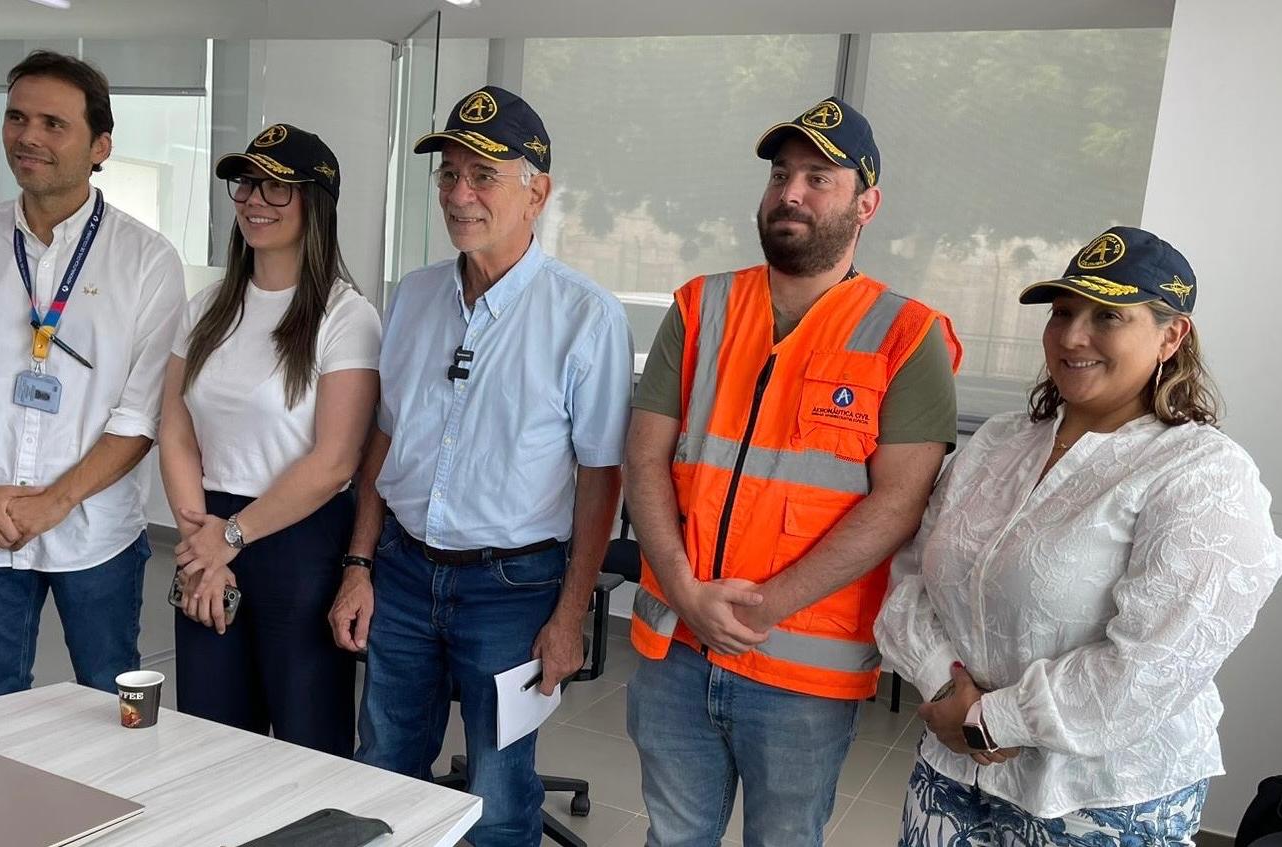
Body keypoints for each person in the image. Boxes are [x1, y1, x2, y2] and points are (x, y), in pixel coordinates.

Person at [622, 96, 962, 846]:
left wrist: (758, 608)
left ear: (866, 204)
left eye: (818, 178)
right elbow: (643, 456)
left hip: (801, 672)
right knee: (671, 836)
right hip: (676, 648)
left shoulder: (908, 335)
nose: (790, 193)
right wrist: (684, 591)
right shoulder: (700, 305)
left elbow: (897, 505)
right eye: (779, 174)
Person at [875, 226, 1282, 846]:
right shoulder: (999, 443)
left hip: (1098, 800)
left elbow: (1154, 665)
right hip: (953, 769)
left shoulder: (1202, 473)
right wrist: (942, 688)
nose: (1071, 336)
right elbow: (911, 572)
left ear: (1171, 336)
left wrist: (990, 721)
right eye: (1062, 312)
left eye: (1107, 316)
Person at [327, 86, 632, 846]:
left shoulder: (584, 316)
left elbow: (601, 477)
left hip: (512, 588)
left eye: (483, 175)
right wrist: (359, 562)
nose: (459, 195)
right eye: (448, 175)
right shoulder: (415, 295)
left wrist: (568, 615)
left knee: (497, 793)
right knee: (384, 768)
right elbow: (384, 438)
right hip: (400, 572)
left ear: (538, 192)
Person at [0, 50, 185, 700]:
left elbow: (140, 413)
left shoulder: (148, 260)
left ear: (100, 145)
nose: (28, 136)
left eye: (53, 123)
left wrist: (54, 501)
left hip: (93, 533)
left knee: (112, 694)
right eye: (16, 117)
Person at [159, 124, 380, 756]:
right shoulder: (206, 308)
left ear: (317, 202)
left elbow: (336, 460)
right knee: (209, 730)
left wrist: (229, 538)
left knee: (306, 739)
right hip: (208, 528)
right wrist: (199, 539)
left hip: (299, 540)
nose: (256, 199)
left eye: (278, 187)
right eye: (246, 183)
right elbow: (174, 424)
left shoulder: (345, 316)